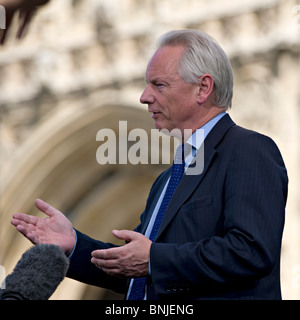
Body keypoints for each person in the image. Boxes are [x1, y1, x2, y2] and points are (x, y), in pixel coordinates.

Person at [11, 30, 288, 300]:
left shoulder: (248, 150)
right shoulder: (168, 178)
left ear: (203, 88)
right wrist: (74, 245)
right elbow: (136, 269)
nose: (144, 96)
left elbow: (250, 252)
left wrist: (154, 259)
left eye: (159, 85)